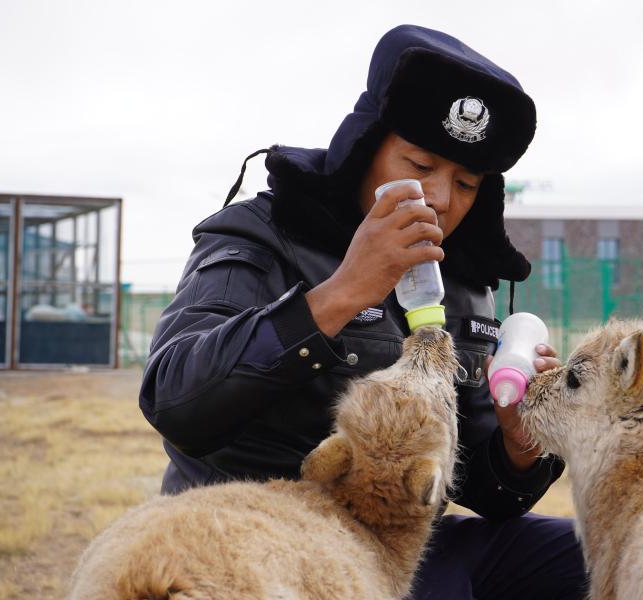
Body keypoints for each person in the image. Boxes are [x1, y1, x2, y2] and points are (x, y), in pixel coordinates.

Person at [140, 24, 587, 599]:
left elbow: (483, 489)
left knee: (619, 554)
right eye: (420, 165)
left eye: (466, 182)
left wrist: (518, 446)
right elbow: (174, 400)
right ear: (365, 145)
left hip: (402, 541)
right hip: (257, 541)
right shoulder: (262, 234)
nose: (441, 199)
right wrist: (343, 291)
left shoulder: (464, 278)